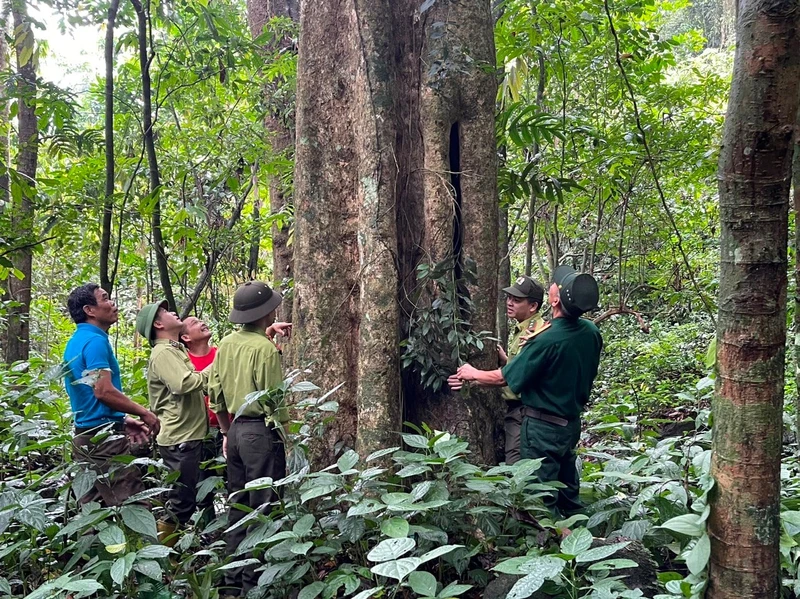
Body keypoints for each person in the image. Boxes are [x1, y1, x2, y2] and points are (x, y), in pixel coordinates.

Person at [448, 265, 602, 517]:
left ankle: (546, 548)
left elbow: (502, 379)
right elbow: (547, 371)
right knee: (567, 492)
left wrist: (471, 373)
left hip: (542, 428)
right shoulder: (591, 332)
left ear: (554, 300)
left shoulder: (546, 338)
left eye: (557, 284)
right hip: (571, 424)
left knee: (538, 498)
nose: (553, 283)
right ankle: (581, 541)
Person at [208, 281, 291, 598]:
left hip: (236, 430)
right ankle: (256, 584)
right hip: (260, 432)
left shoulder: (226, 344)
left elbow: (215, 394)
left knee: (237, 504)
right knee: (263, 505)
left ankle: (232, 581)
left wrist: (227, 433)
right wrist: (286, 436)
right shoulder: (266, 350)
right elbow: (274, 402)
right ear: (267, 312)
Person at [63, 283, 161, 506]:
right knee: (133, 506)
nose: (113, 304)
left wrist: (123, 418)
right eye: (105, 298)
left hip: (85, 435)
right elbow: (103, 390)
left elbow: (89, 392)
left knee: (94, 510)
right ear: (90, 310)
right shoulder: (95, 341)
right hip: (104, 441)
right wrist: (144, 412)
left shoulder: (77, 341)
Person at [135, 301, 211, 540]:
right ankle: (164, 555)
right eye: (166, 312)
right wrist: (215, 368)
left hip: (188, 436)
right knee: (181, 502)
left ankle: (175, 551)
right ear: (158, 324)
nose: (174, 313)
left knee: (189, 498)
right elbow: (182, 384)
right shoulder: (164, 353)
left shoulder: (174, 349)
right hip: (180, 438)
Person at [498, 276, 548, 465]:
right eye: (509, 298)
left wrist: (474, 377)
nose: (510, 303)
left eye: (517, 300)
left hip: (525, 412)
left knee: (517, 467)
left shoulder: (536, 332)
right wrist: (506, 359)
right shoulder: (522, 329)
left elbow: (519, 375)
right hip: (519, 411)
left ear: (533, 306)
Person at [180, 317, 224, 460]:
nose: (202, 323)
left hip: (228, 425)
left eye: (201, 320)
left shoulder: (221, 353)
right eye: (195, 323)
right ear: (186, 337)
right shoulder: (183, 362)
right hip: (198, 431)